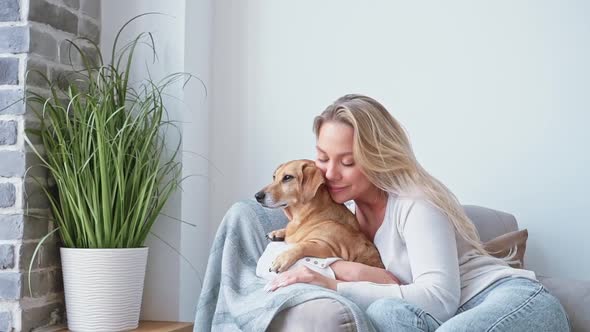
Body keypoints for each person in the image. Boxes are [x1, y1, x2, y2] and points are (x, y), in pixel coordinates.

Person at [264, 94, 570, 331]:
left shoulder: (415, 204)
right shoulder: (345, 218)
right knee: (386, 312)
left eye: (347, 163)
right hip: (444, 317)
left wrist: (337, 284)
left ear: (377, 157)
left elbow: (439, 299)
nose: (330, 173)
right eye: (322, 158)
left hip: (513, 302)